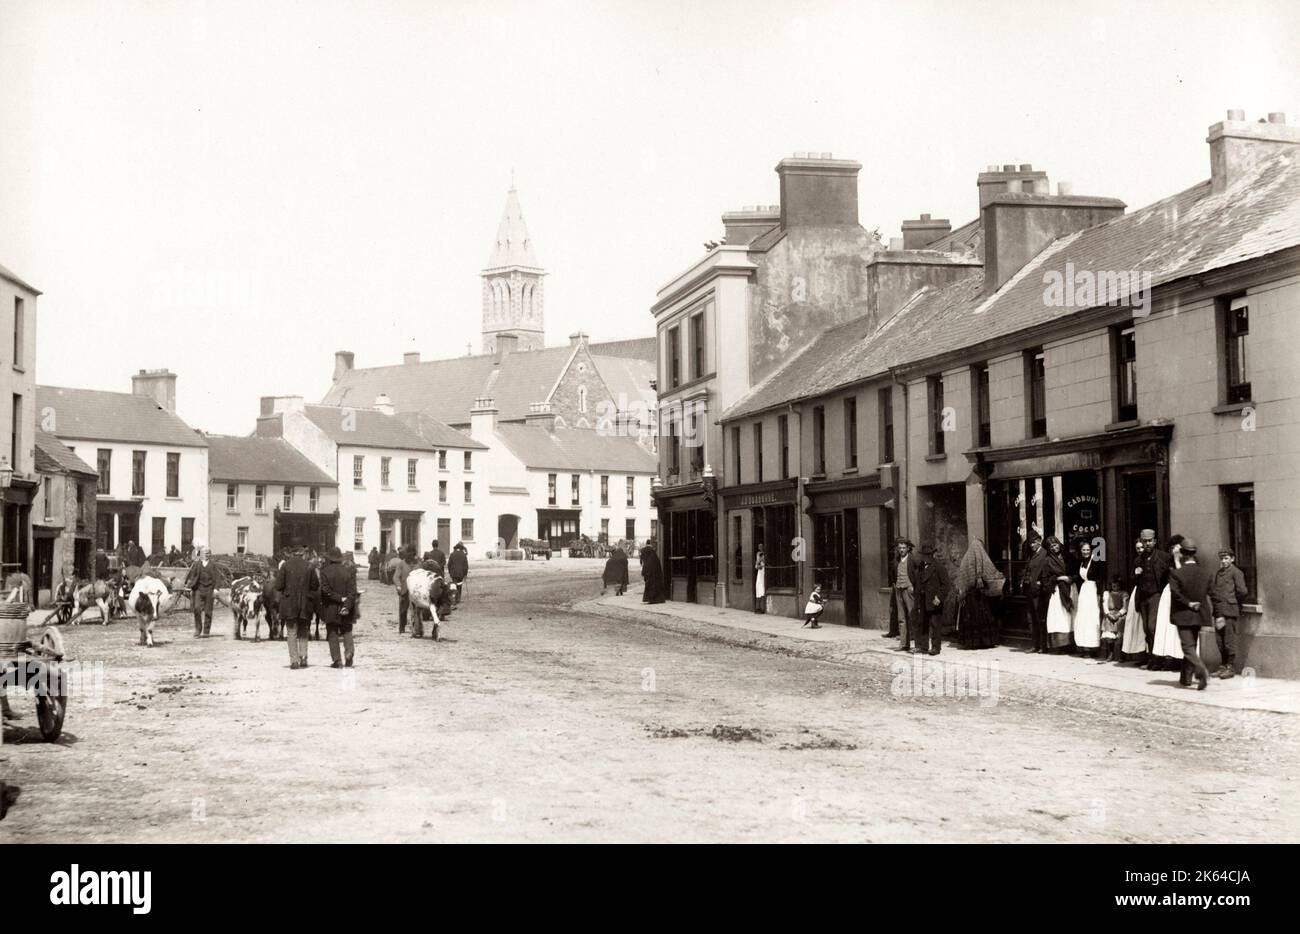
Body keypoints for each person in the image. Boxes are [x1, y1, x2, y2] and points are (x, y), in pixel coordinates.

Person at [1168, 537, 1212, 690]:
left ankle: (1201, 671)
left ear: (1183, 554)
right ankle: (1185, 678)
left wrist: (1188, 603)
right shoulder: (1205, 573)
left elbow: (1176, 594)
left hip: (1183, 614)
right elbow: (1212, 593)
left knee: (1187, 648)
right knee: (1192, 645)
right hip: (1199, 615)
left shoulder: (1177, 574)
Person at [275, 545, 318, 669]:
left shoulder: (285, 566)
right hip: (305, 603)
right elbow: (315, 585)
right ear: (302, 552)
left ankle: (294, 661)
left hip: (289, 604)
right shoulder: (309, 566)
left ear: (291, 553)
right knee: (303, 630)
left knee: (291, 632)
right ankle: (303, 657)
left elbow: (278, 586)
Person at [1133, 529, 1171, 669]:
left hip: (1156, 596)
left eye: (1150, 541)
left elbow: (1169, 576)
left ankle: (1158, 659)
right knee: (1146, 629)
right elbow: (1134, 582)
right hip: (1143, 597)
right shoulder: (1138, 559)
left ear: (1155, 541)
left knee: (1152, 627)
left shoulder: (1163, 557)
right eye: (1144, 541)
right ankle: (1152, 658)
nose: (1147, 544)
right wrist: (1136, 574)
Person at [954, 538, 999, 649]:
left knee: (971, 617)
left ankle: (972, 642)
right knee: (982, 616)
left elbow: (963, 578)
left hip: (969, 595)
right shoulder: (982, 557)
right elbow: (990, 572)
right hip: (980, 595)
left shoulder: (966, 559)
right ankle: (985, 641)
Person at [1210, 548, 1248, 679]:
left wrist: (1232, 600)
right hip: (1219, 612)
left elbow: (1242, 591)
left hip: (1230, 611)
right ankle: (1223, 665)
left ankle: (1230, 667)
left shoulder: (1236, 573)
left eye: (1226, 558)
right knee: (1220, 641)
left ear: (1232, 559)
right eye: (1221, 558)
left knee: (1229, 640)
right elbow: (1214, 591)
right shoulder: (1218, 573)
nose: (1223, 561)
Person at [1149, 535, 1185, 670]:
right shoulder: (1169, 561)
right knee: (1167, 627)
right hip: (1169, 593)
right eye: (1171, 548)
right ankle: (1170, 657)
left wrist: (1177, 560)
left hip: (1181, 594)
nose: (1174, 550)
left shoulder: (1187, 560)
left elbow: (1182, 576)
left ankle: (1180, 659)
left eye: (1176, 547)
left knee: (1178, 628)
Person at [319, 547, 359, 668]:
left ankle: (337, 660)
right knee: (347, 631)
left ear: (330, 559)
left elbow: (325, 590)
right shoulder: (349, 571)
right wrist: (346, 604)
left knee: (332, 633)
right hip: (347, 607)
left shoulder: (325, 572)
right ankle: (349, 652)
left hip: (331, 607)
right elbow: (353, 592)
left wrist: (337, 598)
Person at [914, 544, 950, 655]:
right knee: (923, 623)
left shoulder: (938, 567)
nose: (926, 557)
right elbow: (918, 583)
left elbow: (946, 585)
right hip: (923, 599)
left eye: (928, 555)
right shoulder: (921, 567)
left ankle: (935, 647)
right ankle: (923, 646)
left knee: (935, 624)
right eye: (924, 555)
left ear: (932, 555)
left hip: (934, 600)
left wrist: (939, 597)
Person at [1071, 539, 1105, 658]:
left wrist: (1099, 594)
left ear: (1091, 550)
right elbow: (1079, 577)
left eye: (1088, 550)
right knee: (1083, 618)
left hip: (1092, 591)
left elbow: (1100, 577)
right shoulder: (1082, 562)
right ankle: (1084, 647)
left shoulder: (1095, 561)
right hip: (1084, 592)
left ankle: (1093, 647)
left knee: (1092, 618)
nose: (1086, 552)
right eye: (1084, 550)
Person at [1020, 535, 1052, 653]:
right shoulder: (1031, 554)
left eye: (1033, 543)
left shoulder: (1044, 554)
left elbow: (1046, 570)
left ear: (1039, 542)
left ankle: (1043, 646)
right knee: (1032, 618)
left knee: (1040, 618)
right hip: (1030, 590)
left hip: (1038, 592)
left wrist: (1041, 583)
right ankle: (1035, 645)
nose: (1031, 545)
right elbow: (1028, 569)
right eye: (1030, 543)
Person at [1042, 536, 1074, 653]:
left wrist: (1069, 578)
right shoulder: (1048, 560)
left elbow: (1077, 572)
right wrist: (1056, 579)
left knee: (1070, 616)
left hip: (1070, 589)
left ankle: (1071, 643)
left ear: (1059, 544)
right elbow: (1045, 578)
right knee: (1059, 618)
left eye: (1055, 545)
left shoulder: (1068, 557)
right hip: (1057, 591)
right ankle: (1060, 645)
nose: (1054, 548)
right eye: (1051, 547)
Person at [183, 546, 221, 637]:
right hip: (198, 589)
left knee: (208, 611)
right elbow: (192, 576)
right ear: (201, 554)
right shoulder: (197, 564)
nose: (207, 555)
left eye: (208, 553)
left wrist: (216, 589)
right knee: (197, 609)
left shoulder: (213, 565)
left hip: (209, 590)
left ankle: (206, 631)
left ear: (210, 554)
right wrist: (188, 585)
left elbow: (218, 578)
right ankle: (198, 629)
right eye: (205, 553)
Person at [890, 538, 919, 648]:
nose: (901, 550)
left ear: (908, 548)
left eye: (903, 548)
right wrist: (895, 584)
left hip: (908, 590)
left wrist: (913, 586)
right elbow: (893, 573)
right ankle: (903, 643)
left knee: (912, 616)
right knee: (901, 618)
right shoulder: (897, 560)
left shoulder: (913, 560)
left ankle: (917, 644)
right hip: (899, 590)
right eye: (899, 548)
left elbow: (918, 575)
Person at [1101, 578, 1128, 662]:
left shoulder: (1124, 594)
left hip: (1120, 615)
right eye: (1113, 585)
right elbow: (1105, 605)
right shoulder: (1107, 594)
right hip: (1110, 615)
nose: (1115, 586)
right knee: (1109, 636)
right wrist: (1108, 614)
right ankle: (1111, 653)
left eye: (1117, 585)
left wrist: (1118, 615)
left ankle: (1121, 654)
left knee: (1119, 635)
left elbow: (1125, 607)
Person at [394, 544, 415, 635]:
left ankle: (416, 628)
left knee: (416, 610)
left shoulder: (418, 564)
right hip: (404, 590)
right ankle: (402, 627)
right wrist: (398, 585)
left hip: (415, 591)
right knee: (403, 610)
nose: (410, 557)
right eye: (408, 555)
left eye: (412, 555)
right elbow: (396, 577)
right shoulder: (401, 564)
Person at [753, 545, 767, 614]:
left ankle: (761, 607)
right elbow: (756, 566)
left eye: (762, 546)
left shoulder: (764, 554)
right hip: (760, 574)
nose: (761, 548)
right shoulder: (759, 555)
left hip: (763, 574)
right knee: (759, 590)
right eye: (760, 547)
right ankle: (758, 608)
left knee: (762, 590)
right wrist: (761, 565)